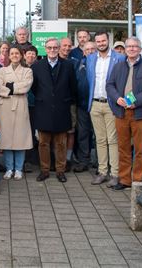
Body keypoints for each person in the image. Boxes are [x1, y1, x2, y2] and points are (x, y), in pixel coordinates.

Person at [106, 37, 142, 190]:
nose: (131, 49)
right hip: (121, 113)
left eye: (135, 47)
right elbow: (109, 85)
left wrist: (136, 101)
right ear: (125, 49)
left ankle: (137, 181)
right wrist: (117, 99)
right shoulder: (118, 67)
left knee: (139, 149)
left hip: (140, 113)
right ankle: (124, 180)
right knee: (123, 147)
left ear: (140, 49)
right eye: (128, 46)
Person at [31, 38, 77, 183]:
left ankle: (60, 171)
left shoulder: (68, 65)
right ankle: (44, 170)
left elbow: (73, 86)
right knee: (43, 143)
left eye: (55, 48)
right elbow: (34, 87)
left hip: (62, 109)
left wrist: (66, 100)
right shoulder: (37, 66)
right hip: (43, 108)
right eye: (49, 48)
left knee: (61, 143)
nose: (52, 50)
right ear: (45, 49)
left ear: (59, 49)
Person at [86, 31, 125, 187]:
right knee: (100, 140)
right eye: (98, 41)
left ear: (108, 40)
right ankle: (102, 172)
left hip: (111, 104)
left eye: (103, 41)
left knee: (113, 140)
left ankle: (115, 174)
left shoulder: (120, 58)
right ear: (95, 43)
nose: (101, 43)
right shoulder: (90, 58)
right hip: (95, 103)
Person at [0, 46, 34, 180]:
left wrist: (10, 86)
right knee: (6, 138)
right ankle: (8, 168)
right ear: (8, 56)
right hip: (5, 105)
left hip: (20, 105)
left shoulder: (27, 71)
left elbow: (26, 86)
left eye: (17, 53)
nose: (15, 55)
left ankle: (18, 169)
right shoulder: (2, 70)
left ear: (21, 55)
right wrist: (15, 88)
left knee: (20, 138)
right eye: (12, 53)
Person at [73, 41, 96, 172]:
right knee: (83, 134)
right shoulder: (78, 64)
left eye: (93, 49)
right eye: (87, 49)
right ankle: (83, 161)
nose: (90, 51)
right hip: (82, 105)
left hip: (97, 104)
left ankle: (100, 163)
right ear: (83, 52)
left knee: (99, 135)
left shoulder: (101, 64)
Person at [59, 37, 77, 170]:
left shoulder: (74, 62)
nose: (66, 48)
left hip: (70, 102)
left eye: (69, 46)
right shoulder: (52, 61)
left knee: (71, 131)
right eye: (64, 45)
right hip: (55, 103)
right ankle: (58, 158)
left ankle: (68, 158)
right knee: (58, 132)